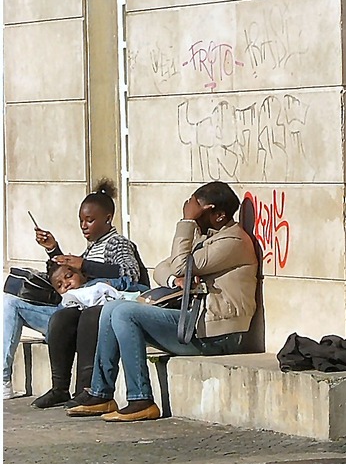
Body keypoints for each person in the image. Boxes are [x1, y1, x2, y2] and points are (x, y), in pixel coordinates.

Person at [66, 181, 258, 422]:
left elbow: (180, 264)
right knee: (112, 308)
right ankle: (101, 393)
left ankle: (141, 399)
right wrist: (173, 279)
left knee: (126, 313)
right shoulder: (206, 239)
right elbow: (163, 268)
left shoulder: (233, 242)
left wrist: (187, 224)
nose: (190, 213)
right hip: (194, 325)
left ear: (218, 215)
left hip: (219, 335)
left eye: (197, 211)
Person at [3, 179, 147, 402]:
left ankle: (86, 390)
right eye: (81, 221)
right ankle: (58, 388)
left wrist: (85, 265)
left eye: (90, 220)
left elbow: (130, 274)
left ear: (108, 219)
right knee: (39, 311)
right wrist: (53, 250)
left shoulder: (117, 243)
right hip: (79, 308)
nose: (83, 226)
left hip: (103, 311)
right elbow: (72, 278)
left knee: (79, 318)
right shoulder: (92, 248)